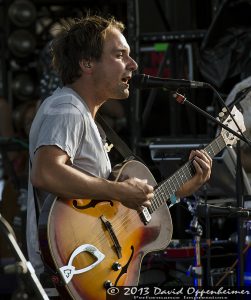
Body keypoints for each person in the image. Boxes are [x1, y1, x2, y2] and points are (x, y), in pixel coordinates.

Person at [27, 15, 212, 294]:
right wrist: (118, 191)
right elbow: (46, 172)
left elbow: (121, 218)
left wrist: (177, 192)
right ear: (87, 63)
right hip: (72, 270)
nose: (133, 64)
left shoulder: (84, 115)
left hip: (89, 267)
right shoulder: (67, 108)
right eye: (119, 55)